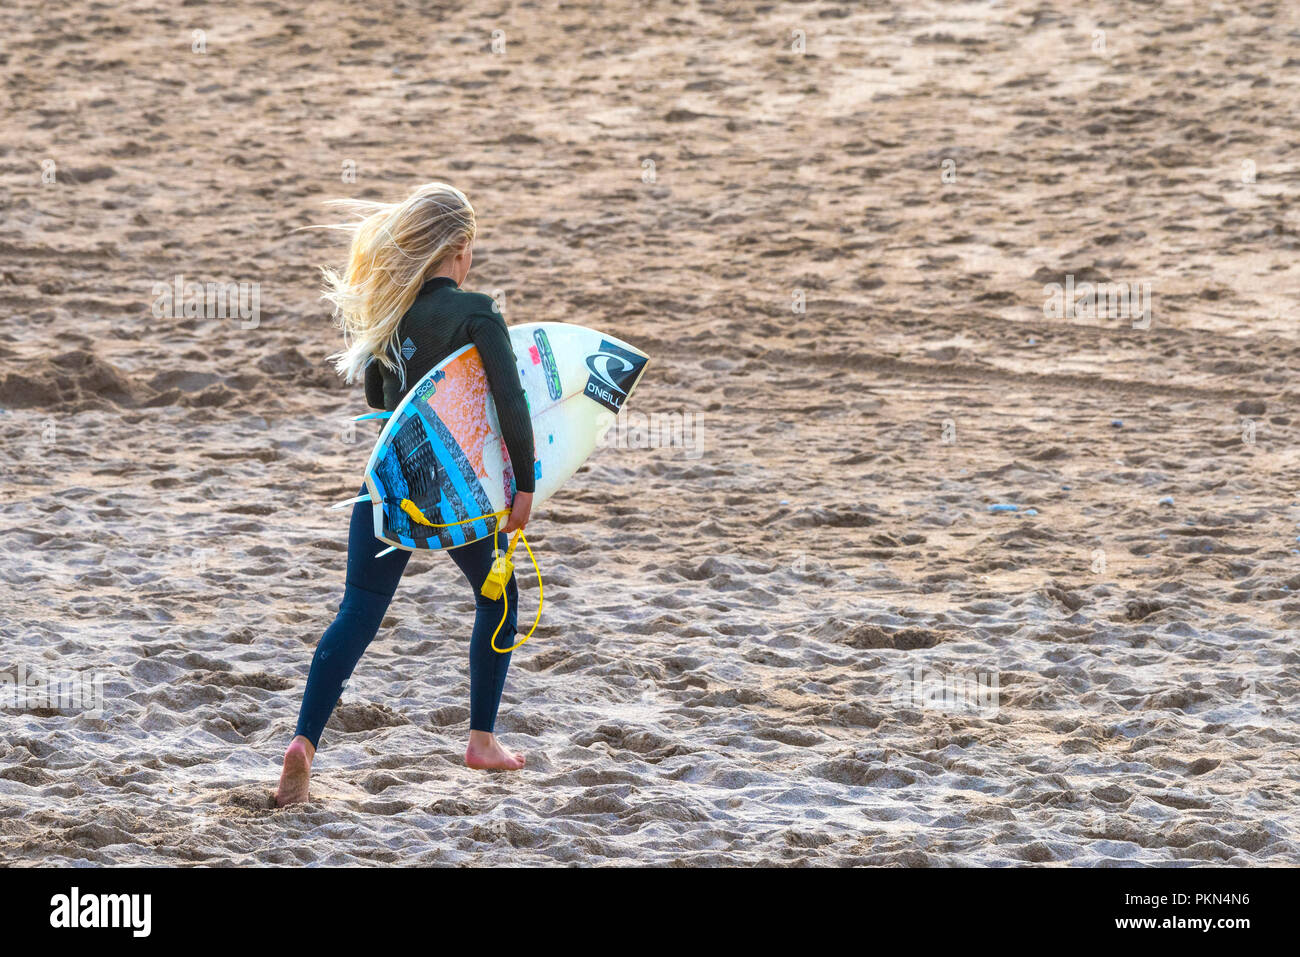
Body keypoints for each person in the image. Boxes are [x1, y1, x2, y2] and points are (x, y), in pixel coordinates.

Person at [275, 183, 534, 807]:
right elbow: (510, 399)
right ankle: (480, 740)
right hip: (455, 493)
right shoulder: (478, 313)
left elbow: (378, 401)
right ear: (460, 249)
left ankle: (304, 742)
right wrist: (524, 483)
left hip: (389, 485)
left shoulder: (390, 316)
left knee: (358, 611)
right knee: (499, 595)